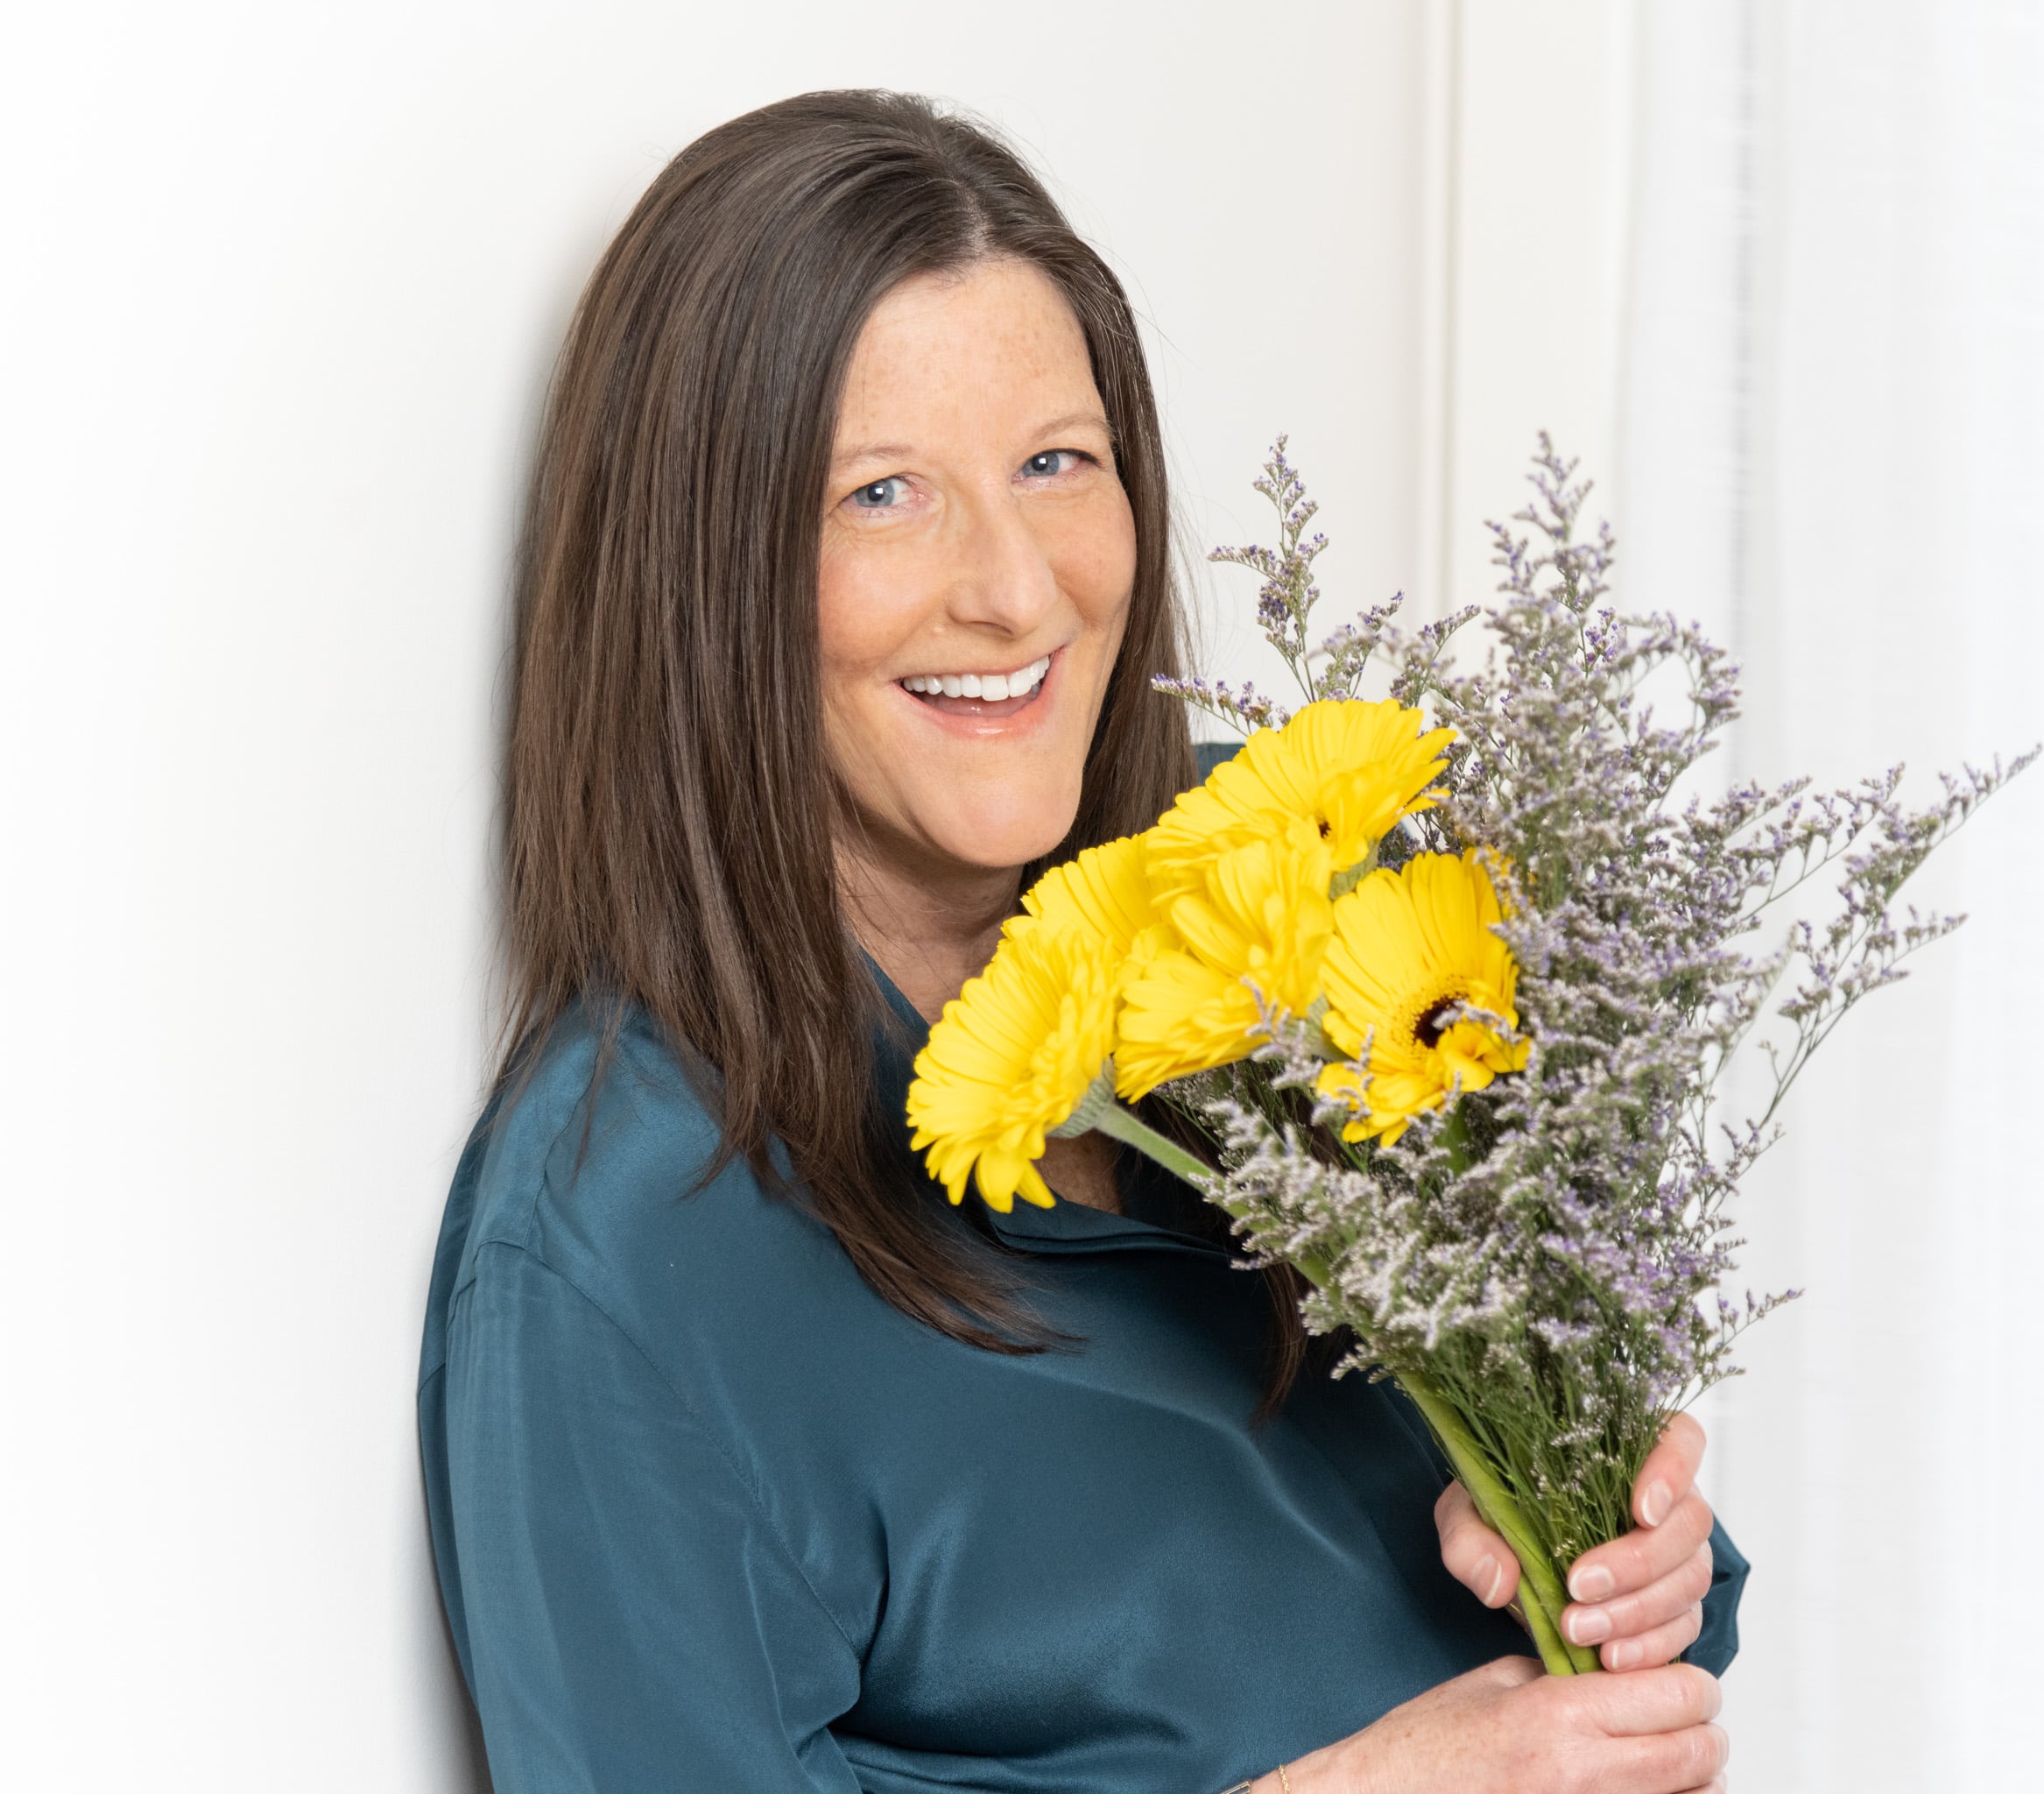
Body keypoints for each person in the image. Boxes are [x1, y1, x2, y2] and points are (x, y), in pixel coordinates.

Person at [417, 88, 1745, 1794]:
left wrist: (1625, 1546)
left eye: (1058, 463)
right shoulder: (624, 1247)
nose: (1018, 592)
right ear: (707, 570)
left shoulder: (1311, 894)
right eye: (885, 493)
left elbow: (1647, 1646)